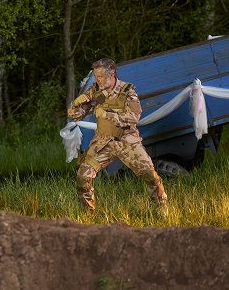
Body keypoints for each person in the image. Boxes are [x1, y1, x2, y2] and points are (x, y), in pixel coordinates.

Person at [67, 58, 167, 212]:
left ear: (111, 73)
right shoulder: (96, 91)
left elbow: (134, 117)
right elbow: (76, 115)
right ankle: (87, 216)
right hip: (103, 142)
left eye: (101, 76)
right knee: (82, 177)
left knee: (150, 176)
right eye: (96, 76)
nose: (98, 80)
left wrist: (107, 115)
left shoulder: (127, 91)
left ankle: (162, 209)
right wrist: (75, 105)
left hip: (126, 140)